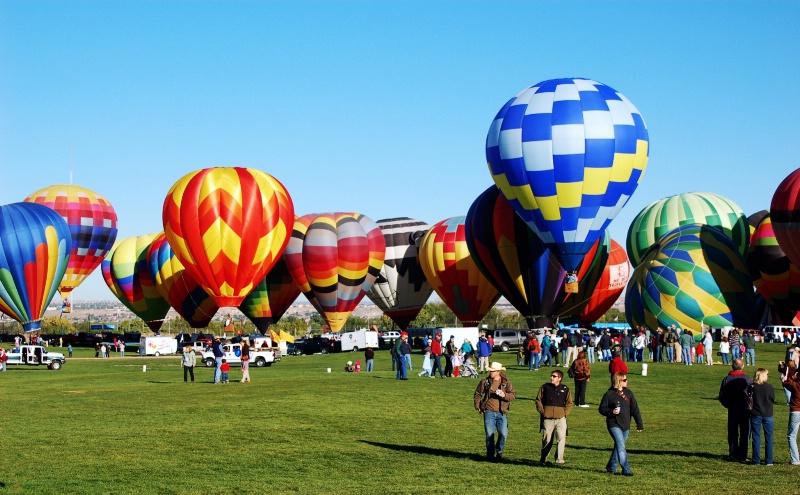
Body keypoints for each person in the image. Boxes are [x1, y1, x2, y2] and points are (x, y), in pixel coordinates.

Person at [598, 372, 643, 476]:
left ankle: (611, 466)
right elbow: (601, 409)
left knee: (619, 446)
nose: (627, 382)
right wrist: (611, 412)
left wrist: (639, 424)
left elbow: (635, 409)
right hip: (614, 424)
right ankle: (626, 469)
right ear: (618, 381)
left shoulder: (629, 393)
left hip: (626, 424)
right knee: (621, 446)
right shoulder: (609, 394)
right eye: (624, 380)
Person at [474, 362, 516, 462]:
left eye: (492, 371)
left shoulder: (506, 383)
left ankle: (499, 450)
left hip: (502, 412)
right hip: (489, 411)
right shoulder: (485, 381)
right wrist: (478, 406)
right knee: (489, 434)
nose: (490, 372)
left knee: (503, 434)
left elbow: (513, 395)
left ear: (498, 372)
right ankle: (490, 456)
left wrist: (504, 395)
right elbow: (478, 394)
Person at [536, 369, 573, 465]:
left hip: (561, 419)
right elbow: (538, 400)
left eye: (554, 376)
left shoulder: (565, 389)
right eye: (551, 376)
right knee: (547, 439)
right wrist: (542, 411)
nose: (551, 378)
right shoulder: (545, 387)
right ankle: (544, 457)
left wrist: (564, 413)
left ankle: (559, 459)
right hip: (547, 419)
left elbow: (569, 403)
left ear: (559, 378)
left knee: (561, 438)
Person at [718, 358, 752, 462]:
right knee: (744, 432)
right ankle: (742, 454)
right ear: (742, 366)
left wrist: (727, 405)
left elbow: (722, 395)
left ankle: (733, 454)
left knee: (732, 432)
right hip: (744, 409)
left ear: (733, 366)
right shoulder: (747, 379)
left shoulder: (727, 379)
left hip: (732, 408)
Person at [749, 368, 775, 465]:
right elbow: (772, 399)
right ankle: (769, 460)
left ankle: (756, 460)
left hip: (756, 413)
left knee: (756, 436)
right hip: (768, 413)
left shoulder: (752, 387)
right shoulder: (769, 387)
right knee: (769, 437)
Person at [782, 361, 800, 465]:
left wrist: (793, 376)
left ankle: (795, 459)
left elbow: (785, 383)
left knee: (792, 436)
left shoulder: (794, 384)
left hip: (796, 410)